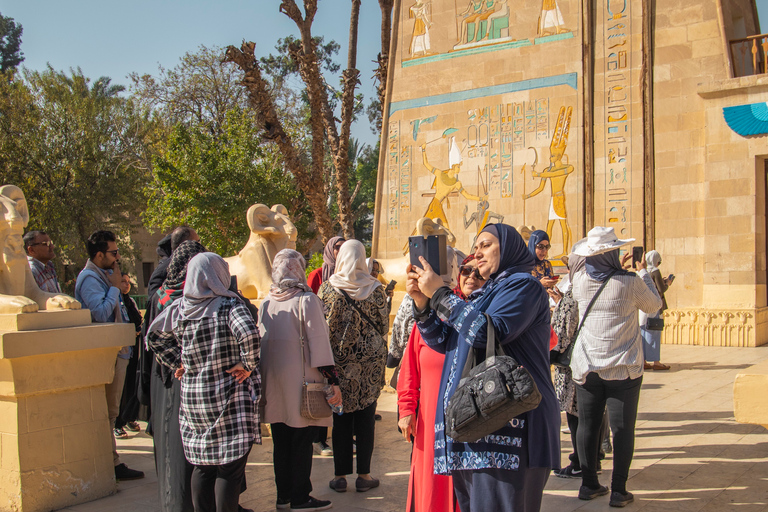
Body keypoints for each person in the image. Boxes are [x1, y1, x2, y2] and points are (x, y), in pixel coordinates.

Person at [407, 223, 560, 512]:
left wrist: (440, 294)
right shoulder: (487, 293)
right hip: (477, 425)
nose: (477, 253)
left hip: (512, 429)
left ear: (510, 247)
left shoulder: (523, 287)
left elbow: (485, 332)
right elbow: (445, 341)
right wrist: (423, 303)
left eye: (486, 245)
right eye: (475, 247)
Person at [147, 252, 261, 512]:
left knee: (202, 466)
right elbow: (250, 335)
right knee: (229, 468)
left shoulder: (180, 308)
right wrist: (247, 364)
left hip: (194, 400)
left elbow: (154, 337)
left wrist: (178, 362)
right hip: (228, 399)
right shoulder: (229, 306)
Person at [570, 227, 662, 507]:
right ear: (613, 254)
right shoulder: (629, 281)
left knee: (588, 425)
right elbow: (654, 305)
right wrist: (642, 272)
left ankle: (589, 484)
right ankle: (619, 489)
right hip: (623, 367)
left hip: (587, 367)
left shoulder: (580, 281)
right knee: (622, 429)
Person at [397, 253, 484, 512]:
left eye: (479, 273)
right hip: (430, 421)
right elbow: (410, 368)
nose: (472, 277)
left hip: (473, 419)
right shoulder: (429, 319)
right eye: (466, 271)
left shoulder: (487, 318)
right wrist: (405, 409)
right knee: (431, 488)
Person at [259, 249, 341, 511]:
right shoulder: (306, 299)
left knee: (281, 438)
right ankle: (300, 497)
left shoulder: (266, 302)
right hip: (302, 383)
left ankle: (283, 496)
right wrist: (332, 379)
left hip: (273, 382)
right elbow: (319, 343)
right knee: (301, 439)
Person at [319, 240, 389, 494]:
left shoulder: (327, 289)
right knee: (366, 420)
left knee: (341, 421)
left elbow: (321, 329)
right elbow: (383, 326)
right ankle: (364, 475)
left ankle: (339, 477)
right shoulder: (377, 289)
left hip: (339, 366)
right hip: (370, 366)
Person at [75, 230, 145, 481]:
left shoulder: (103, 276)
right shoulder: (90, 279)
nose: (117, 258)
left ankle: (112, 461)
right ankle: (111, 464)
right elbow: (102, 314)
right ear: (99, 254)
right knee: (107, 411)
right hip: (106, 355)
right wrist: (115, 288)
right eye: (113, 253)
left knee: (111, 410)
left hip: (119, 353)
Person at [145, 240, 207, 512]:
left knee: (170, 446)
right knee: (186, 450)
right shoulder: (192, 297)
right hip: (185, 379)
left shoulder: (160, 295)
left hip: (163, 380)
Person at [307, 236, 346, 455]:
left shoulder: (347, 275)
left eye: (344, 248)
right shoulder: (317, 275)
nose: (341, 251)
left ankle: (343, 437)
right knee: (322, 390)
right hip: (321, 339)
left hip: (340, 343)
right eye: (337, 247)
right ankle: (318, 438)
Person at [115, 274, 143, 438]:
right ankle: (118, 422)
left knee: (132, 384)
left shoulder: (130, 301)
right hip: (122, 350)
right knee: (122, 387)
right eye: (122, 282)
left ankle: (129, 417)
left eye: (128, 282)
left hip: (134, 348)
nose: (126, 285)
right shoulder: (117, 303)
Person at [640, 250, 672, 371]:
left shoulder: (642, 272)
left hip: (643, 309)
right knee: (654, 334)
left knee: (643, 334)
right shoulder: (655, 271)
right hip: (654, 308)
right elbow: (661, 289)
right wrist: (667, 283)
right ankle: (656, 362)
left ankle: (643, 361)